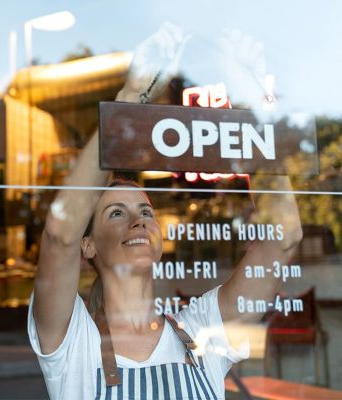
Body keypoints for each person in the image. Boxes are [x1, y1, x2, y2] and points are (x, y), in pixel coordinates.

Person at [28, 23, 303, 400]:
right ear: (88, 245)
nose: (138, 219)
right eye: (115, 213)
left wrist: (250, 103)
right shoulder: (72, 340)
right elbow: (60, 234)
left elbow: (284, 237)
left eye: (146, 211)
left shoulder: (200, 330)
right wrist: (130, 96)